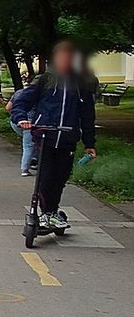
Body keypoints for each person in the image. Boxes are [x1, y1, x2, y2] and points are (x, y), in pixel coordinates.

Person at [10, 40, 98, 231]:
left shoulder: (81, 84)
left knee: (60, 177)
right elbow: (21, 101)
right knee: (46, 176)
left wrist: (89, 142)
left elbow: (88, 115)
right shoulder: (45, 80)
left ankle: (52, 211)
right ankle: (46, 213)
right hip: (45, 136)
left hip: (68, 138)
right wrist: (21, 118)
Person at [6, 73, 36, 175]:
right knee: (29, 145)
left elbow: (8, 107)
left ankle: (33, 161)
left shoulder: (19, 93)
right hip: (30, 122)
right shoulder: (41, 93)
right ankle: (25, 169)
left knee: (30, 143)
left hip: (16, 122)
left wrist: (16, 115)